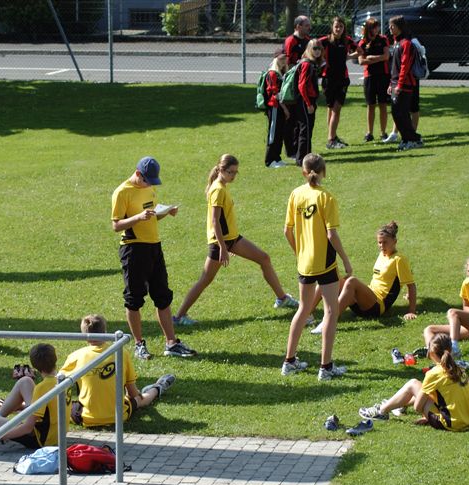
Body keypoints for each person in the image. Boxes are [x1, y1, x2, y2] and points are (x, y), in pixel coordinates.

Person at [172, 155, 298, 325]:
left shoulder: (222, 186)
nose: (233, 176)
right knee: (205, 279)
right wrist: (223, 248)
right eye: (231, 172)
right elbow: (215, 221)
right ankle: (179, 317)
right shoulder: (218, 190)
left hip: (232, 239)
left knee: (264, 258)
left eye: (236, 172)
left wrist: (229, 246)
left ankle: (282, 298)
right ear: (221, 170)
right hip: (220, 243)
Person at [111, 156, 197, 360]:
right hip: (133, 249)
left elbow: (153, 215)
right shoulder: (122, 192)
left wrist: (166, 212)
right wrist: (137, 217)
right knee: (134, 299)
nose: (150, 184)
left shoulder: (149, 188)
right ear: (138, 174)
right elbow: (116, 225)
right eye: (147, 180)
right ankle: (139, 345)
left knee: (162, 295)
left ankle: (171, 343)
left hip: (154, 247)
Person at [282, 154, 352, 380]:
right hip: (325, 262)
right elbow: (332, 234)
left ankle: (289, 361)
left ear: (303, 172)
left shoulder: (296, 194)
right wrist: (346, 260)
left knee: (303, 309)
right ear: (324, 171)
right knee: (331, 311)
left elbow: (287, 231)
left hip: (304, 263)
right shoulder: (326, 198)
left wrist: (299, 251)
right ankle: (326, 367)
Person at [60, 314, 175, 427]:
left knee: (62, 406)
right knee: (140, 399)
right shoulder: (121, 352)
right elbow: (132, 393)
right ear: (105, 332)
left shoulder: (76, 356)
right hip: (119, 415)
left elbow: (58, 384)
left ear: (84, 336)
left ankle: (156, 388)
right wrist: (138, 396)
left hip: (86, 417)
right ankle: (157, 388)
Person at [358, 333, 469, 431]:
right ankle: (395, 404)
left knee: (413, 384)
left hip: (452, 423)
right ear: (449, 350)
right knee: (428, 392)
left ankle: (381, 411)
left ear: (431, 352)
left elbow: (417, 407)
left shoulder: (434, 373)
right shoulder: (460, 369)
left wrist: (427, 415)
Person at [312, 221, 415, 333]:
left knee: (352, 281)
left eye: (385, 242)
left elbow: (411, 285)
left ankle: (329, 322)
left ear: (394, 241)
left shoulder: (399, 259)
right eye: (379, 242)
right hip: (365, 301)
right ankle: (306, 315)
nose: (381, 246)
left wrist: (411, 311)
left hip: (377, 306)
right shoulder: (382, 254)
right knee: (330, 281)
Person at [319, 17, 358, 149]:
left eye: (341, 26)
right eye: (336, 26)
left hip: (342, 80)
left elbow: (360, 50)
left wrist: (349, 56)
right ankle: (331, 139)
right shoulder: (324, 40)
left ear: (344, 28)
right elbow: (311, 48)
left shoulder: (347, 40)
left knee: (336, 109)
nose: (338, 29)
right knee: (332, 108)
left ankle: (332, 137)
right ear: (332, 27)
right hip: (328, 79)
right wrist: (321, 59)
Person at [387, 15, 422, 151]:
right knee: (396, 113)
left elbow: (404, 66)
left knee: (401, 113)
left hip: (404, 85)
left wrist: (399, 85)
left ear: (399, 27)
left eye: (392, 26)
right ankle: (408, 138)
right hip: (395, 83)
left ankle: (412, 139)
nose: (390, 28)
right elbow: (394, 67)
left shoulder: (406, 43)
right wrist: (391, 84)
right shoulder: (396, 42)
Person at [357, 18, 391, 142]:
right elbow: (361, 61)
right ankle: (369, 133)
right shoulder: (362, 42)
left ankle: (383, 133)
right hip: (369, 76)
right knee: (370, 105)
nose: (376, 29)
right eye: (373, 27)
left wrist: (371, 57)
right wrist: (377, 58)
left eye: (377, 27)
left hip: (383, 75)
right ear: (368, 28)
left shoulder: (383, 39)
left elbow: (386, 56)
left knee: (383, 104)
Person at [283, 16, 311, 160]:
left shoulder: (307, 40)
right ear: (298, 26)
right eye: (306, 25)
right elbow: (287, 64)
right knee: (290, 119)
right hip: (292, 85)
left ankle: (298, 148)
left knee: (299, 119)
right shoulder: (290, 41)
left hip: (303, 84)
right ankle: (290, 150)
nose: (309, 28)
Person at [294, 40, 324, 166]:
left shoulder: (312, 63)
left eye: (319, 49)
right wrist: (308, 103)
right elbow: (302, 86)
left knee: (306, 129)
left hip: (308, 100)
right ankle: (302, 159)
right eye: (314, 48)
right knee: (305, 130)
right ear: (309, 49)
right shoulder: (307, 64)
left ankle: (304, 156)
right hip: (304, 100)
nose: (317, 51)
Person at [264, 50, 290, 168]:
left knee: (280, 132)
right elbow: (275, 93)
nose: (283, 60)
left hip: (280, 106)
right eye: (281, 58)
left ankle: (277, 158)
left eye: (285, 58)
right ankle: (269, 160)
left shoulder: (282, 72)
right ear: (275, 59)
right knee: (273, 133)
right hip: (274, 106)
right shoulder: (272, 73)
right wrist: (285, 108)